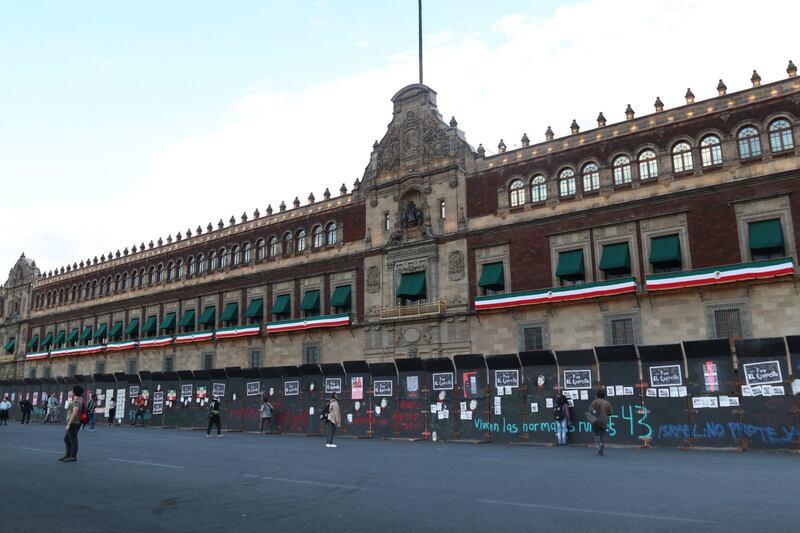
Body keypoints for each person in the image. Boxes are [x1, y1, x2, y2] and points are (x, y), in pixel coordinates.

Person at [587, 388, 613, 456]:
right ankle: (601, 446)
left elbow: (589, 410)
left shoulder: (595, 402)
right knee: (602, 434)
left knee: (595, 432)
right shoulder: (607, 403)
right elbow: (610, 413)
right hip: (604, 420)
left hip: (595, 420)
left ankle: (598, 442)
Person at [61, 385, 84, 462]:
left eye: (72, 390)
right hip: (75, 422)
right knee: (67, 439)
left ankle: (73, 456)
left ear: (75, 392)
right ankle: (68, 455)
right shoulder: (78, 400)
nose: (71, 392)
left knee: (73, 440)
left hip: (74, 423)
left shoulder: (77, 401)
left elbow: (74, 413)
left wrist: (69, 424)